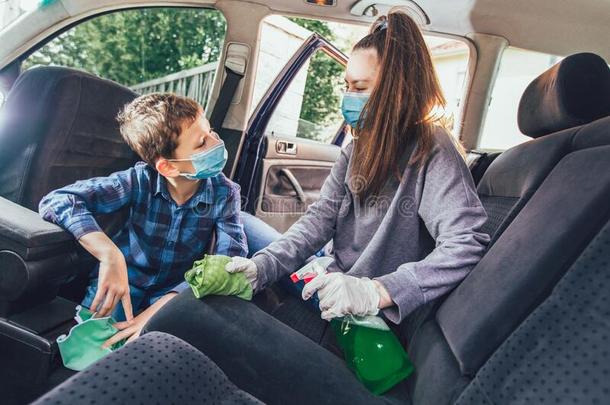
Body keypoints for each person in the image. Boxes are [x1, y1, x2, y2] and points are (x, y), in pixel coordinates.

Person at [144, 12, 490, 403]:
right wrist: (262, 268)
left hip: (368, 321)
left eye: (360, 86)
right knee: (245, 233)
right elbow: (318, 221)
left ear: (397, 89)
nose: (349, 97)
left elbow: (467, 242)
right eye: (347, 86)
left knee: (181, 314)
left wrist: (378, 291)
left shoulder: (432, 148)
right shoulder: (357, 148)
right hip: (329, 284)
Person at [39, 93, 247, 345]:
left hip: (175, 291)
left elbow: (228, 264)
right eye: (202, 143)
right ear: (168, 167)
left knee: (156, 347)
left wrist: (160, 307)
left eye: (211, 132)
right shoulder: (137, 181)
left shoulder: (224, 193)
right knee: (91, 344)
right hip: (122, 281)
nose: (216, 143)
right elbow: (59, 200)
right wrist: (110, 255)